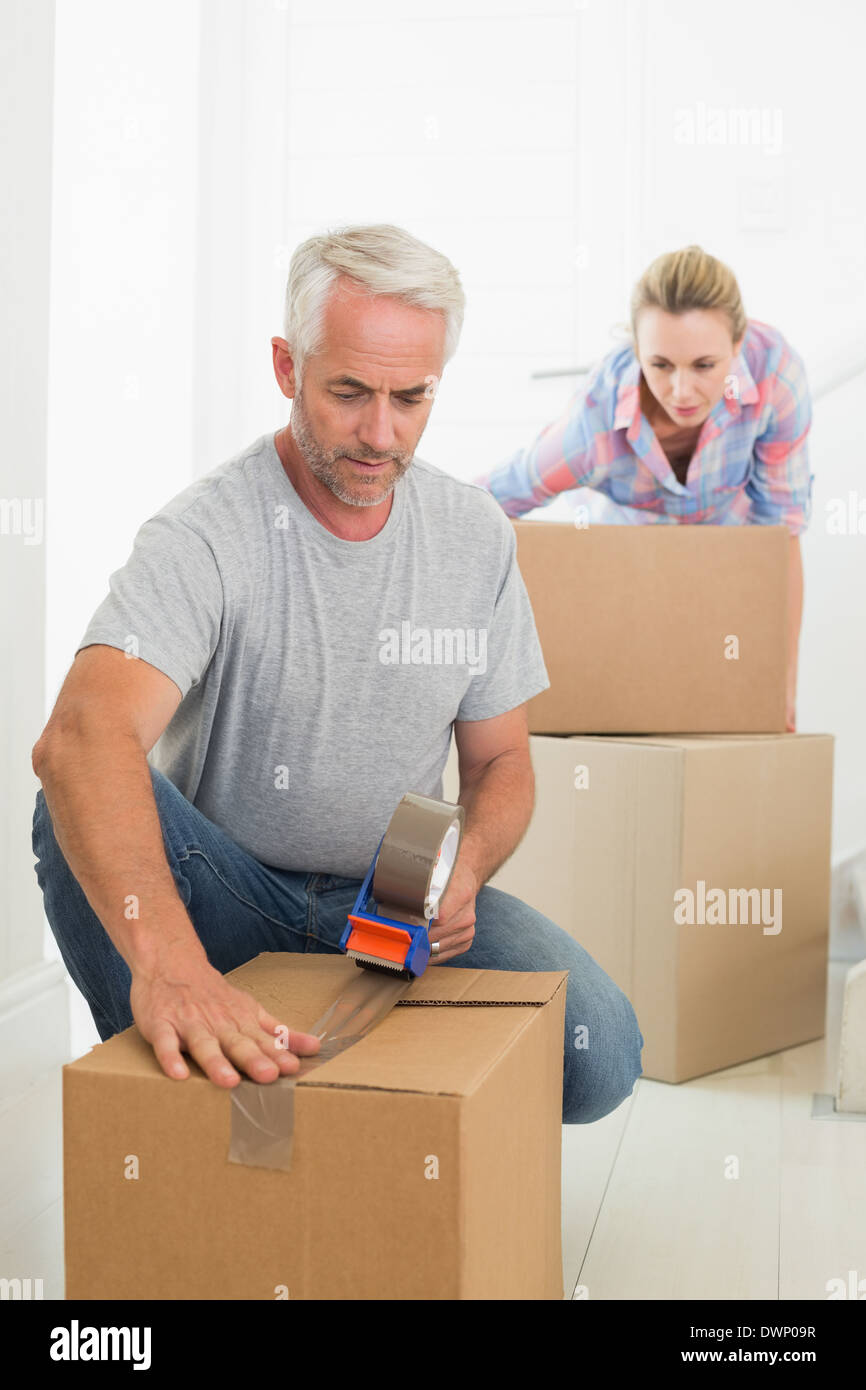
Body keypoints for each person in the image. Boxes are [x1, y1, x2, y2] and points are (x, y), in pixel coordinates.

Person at [31, 223, 642, 1124]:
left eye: (411, 397)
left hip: (397, 903)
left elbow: (500, 764)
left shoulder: (474, 535)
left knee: (602, 1056)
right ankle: (177, 1079)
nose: (379, 433)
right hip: (226, 892)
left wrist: (464, 869)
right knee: (71, 794)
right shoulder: (207, 532)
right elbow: (81, 738)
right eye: (349, 391)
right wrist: (174, 968)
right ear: (287, 367)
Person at [474, 246, 812, 731]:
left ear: (738, 344)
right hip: (628, 574)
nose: (680, 391)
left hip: (731, 568)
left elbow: (781, 540)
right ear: (635, 350)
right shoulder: (593, 426)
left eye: (703, 365)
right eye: (660, 365)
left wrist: (782, 688)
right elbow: (486, 504)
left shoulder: (776, 376)